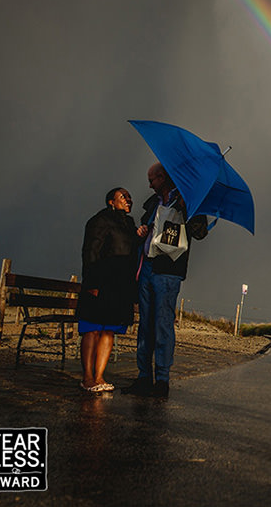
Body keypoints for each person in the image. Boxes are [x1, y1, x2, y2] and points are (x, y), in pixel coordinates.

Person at [123, 163, 208, 398]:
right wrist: (141, 232)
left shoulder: (189, 199)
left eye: (153, 180)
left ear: (163, 177)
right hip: (147, 267)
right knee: (145, 325)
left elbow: (200, 232)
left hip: (168, 270)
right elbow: (146, 228)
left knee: (162, 323)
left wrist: (187, 210)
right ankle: (143, 377)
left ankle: (162, 380)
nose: (149, 184)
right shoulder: (152, 203)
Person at [75, 188, 140, 392]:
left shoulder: (130, 224)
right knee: (92, 329)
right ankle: (87, 378)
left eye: (129, 197)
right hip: (100, 283)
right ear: (111, 201)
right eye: (123, 197)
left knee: (109, 331)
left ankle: (99, 377)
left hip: (120, 287)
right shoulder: (99, 220)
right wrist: (92, 283)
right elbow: (90, 251)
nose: (128, 199)